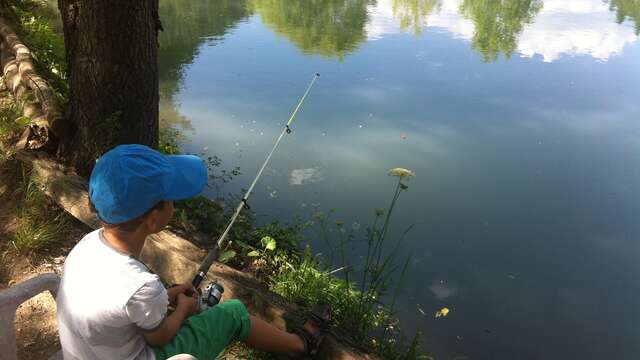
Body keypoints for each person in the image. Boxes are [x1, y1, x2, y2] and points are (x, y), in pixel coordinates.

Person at [55, 144, 330, 360]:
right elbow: (160, 337)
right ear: (152, 218)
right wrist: (183, 310)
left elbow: (120, 302)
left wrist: (164, 297)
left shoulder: (87, 246)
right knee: (234, 312)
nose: (174, 202)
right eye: (170, 197)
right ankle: (300, 346)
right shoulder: (141, 286)